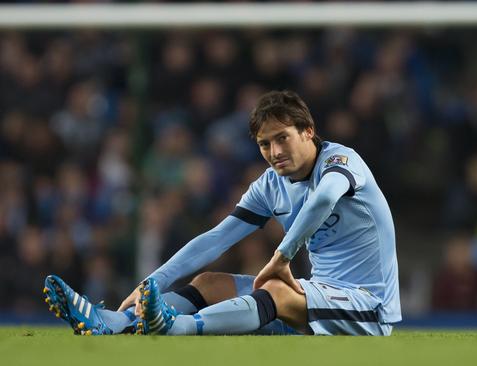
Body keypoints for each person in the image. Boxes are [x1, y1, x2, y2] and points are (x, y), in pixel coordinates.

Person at [43, 90, 401, 336]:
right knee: (209, 282)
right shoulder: (270, 184)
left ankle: (176, 326)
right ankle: (112, 321)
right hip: (315, 293)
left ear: (308, 132)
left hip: (367, 306)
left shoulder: (341, 161)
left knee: (276, 289)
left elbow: (323, 200)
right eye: (264, 144)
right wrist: (152, 281)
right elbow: (217, 238)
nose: (274, 151)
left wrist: (282, 256)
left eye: (282, 138)